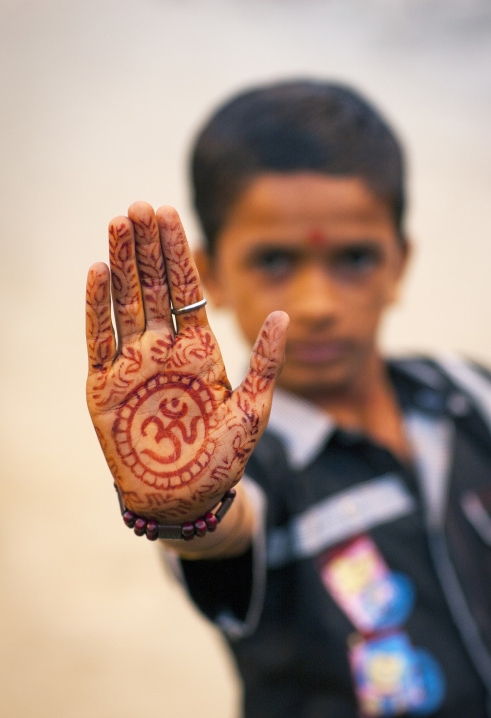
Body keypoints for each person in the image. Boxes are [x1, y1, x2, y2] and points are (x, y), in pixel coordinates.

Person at [85, 80, 491, 718]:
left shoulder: (466, 394)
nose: (317, 306)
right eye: (274, 261)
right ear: (210, 273)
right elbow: (223, 530)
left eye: (355, 258)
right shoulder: (245, 463)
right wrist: (191, 505)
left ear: (400, 263)